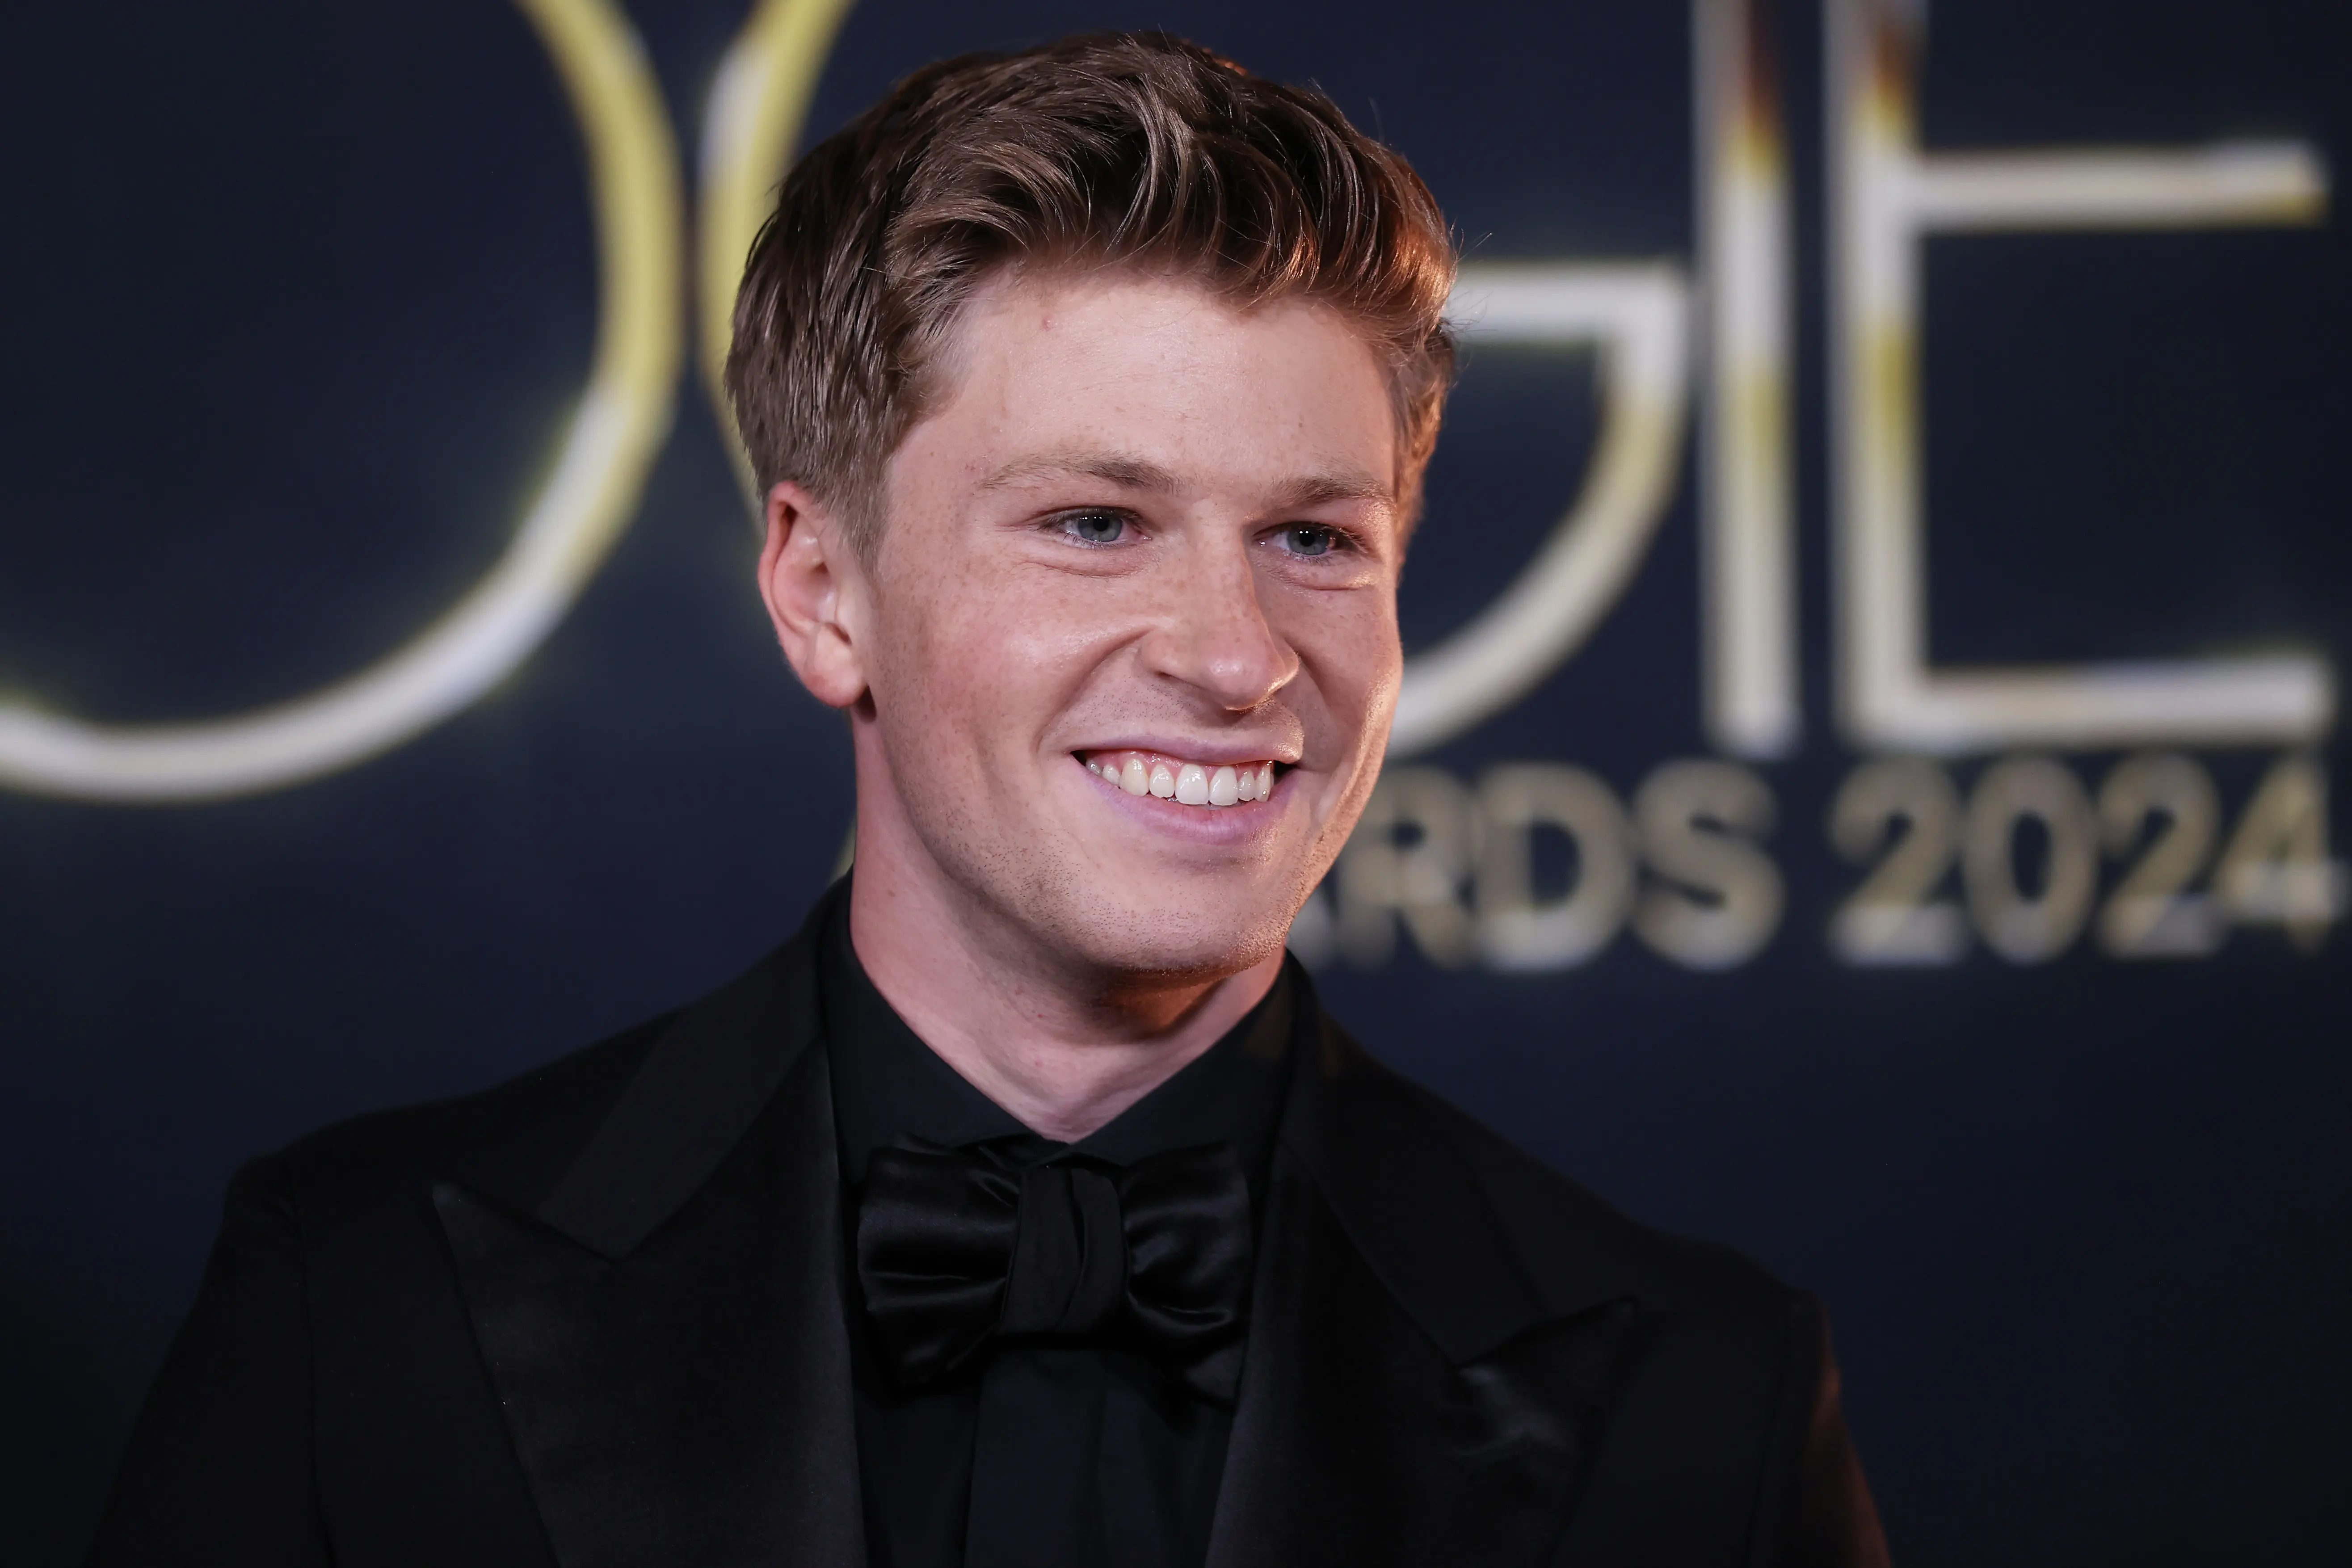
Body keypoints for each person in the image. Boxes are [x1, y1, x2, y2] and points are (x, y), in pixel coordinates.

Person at [89, 32, 1888, 1568]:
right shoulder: (365, 1305)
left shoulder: (1699, 1396)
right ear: (821, 591)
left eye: (1313, 538)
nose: (1236, 656)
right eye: (1095, 522)